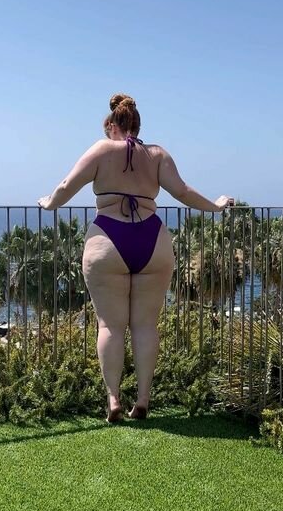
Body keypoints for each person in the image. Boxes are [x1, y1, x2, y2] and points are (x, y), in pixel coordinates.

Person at [38, 93, 234, 422]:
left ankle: (113, 400)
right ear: (138, 126)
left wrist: (49, 203)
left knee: (110, 326)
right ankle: (143, 399)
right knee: (145, 326)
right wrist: (216, 206)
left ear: (112, 126)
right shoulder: (157, 155)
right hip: (152, 241)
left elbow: (67, 185)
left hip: (108, 241)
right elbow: (183, 192)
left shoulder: (102, 150)